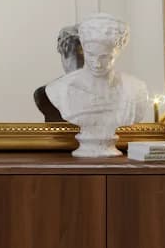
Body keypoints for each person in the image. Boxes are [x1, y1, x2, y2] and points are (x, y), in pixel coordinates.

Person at [42, 13, 153, 157]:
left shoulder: (136, 89)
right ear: (83, 50)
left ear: (117, 54)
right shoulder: (59, 89)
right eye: (90, 55)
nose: (97, 63)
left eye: (106, 57)